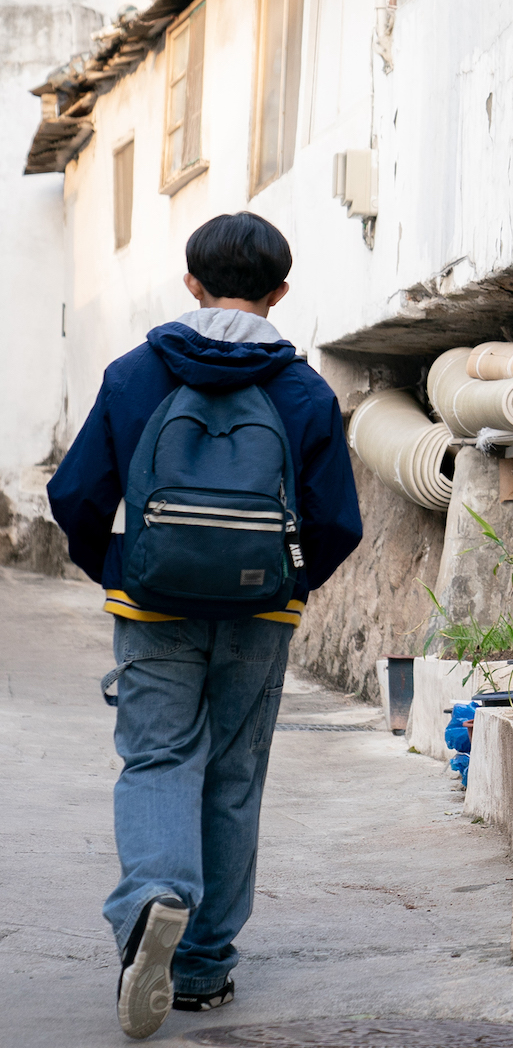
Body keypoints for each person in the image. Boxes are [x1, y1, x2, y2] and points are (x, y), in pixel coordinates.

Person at [48, 212, 363, 1038]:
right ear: (281, 292)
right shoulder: (302, 391)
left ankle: (155, 892)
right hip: (261, 613)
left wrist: (115, 567)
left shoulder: (132, 375)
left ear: (191, 283)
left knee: (157, 758)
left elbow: (75, 496)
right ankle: (204, 970)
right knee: (232, 776)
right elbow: (337, 523)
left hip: (153, 608)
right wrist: (289, 585)